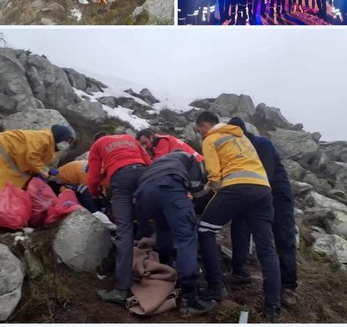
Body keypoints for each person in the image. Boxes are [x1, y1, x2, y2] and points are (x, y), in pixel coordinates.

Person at [194, 111, 282, 322]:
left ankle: (216, 287)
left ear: (204, 127)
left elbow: (215, 177)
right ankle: (273, 307)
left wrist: (210, 197)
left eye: (199, 132)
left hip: (237, 187)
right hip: (262, 190)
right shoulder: (241, 137)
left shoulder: (211, 139)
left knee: (205, 230)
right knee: (266, 249)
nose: (200, 135)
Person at [227, 117, 298, 308]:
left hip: (276, 195)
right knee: (239, 225)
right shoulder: (237, 150)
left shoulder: (261, 144)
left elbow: (265, 173)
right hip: (254, 195)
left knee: (283, 237)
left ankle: (288, 285)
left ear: (240, 133)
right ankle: (239, 271)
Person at [134, 152, 216, 315]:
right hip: (168, 187)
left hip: (143, 194)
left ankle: (164, 270)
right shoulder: (193, 160)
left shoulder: (161, 161)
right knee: (186, 236)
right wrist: (205, 191)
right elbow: (195, 188)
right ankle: (189, 299)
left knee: (163, 227)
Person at [88, 132, 152, 305]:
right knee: (149, 218)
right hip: (143, 173)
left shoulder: (98, 144)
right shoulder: (130, 138)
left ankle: (121, 288)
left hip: (121, 178)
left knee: (124, 230)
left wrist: (94, 193)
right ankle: (155, 265)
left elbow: (93, 174)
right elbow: (148, 160)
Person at [0, 125, 74, 192]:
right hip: (0, 149)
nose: (66, 144)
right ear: (59, 136)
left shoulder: (51, 145)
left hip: (8, 153)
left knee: (4, 186)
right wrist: (46, 172)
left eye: (69, 142)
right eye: (66, 140)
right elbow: (32, 158)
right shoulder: (43, 138)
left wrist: (44, 171)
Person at [136, 129, 203, 162]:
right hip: (196, 163)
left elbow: (158, 162)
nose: (144, 147)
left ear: (151, 137)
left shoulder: (161, 141)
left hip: (199, 164)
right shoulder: (160, 140)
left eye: (145, 143)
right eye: (141, 145)